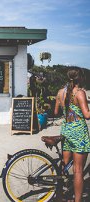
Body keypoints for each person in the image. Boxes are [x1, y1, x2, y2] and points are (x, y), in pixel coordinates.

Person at [54, 67, 90, 202]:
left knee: (65, 165)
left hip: (66, 131)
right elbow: (87, 115)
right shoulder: (80, 93)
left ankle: (60, 194)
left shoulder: (59, 92)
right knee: (78, 170)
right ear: (80, 78)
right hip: (79, 133)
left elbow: (56, 112)